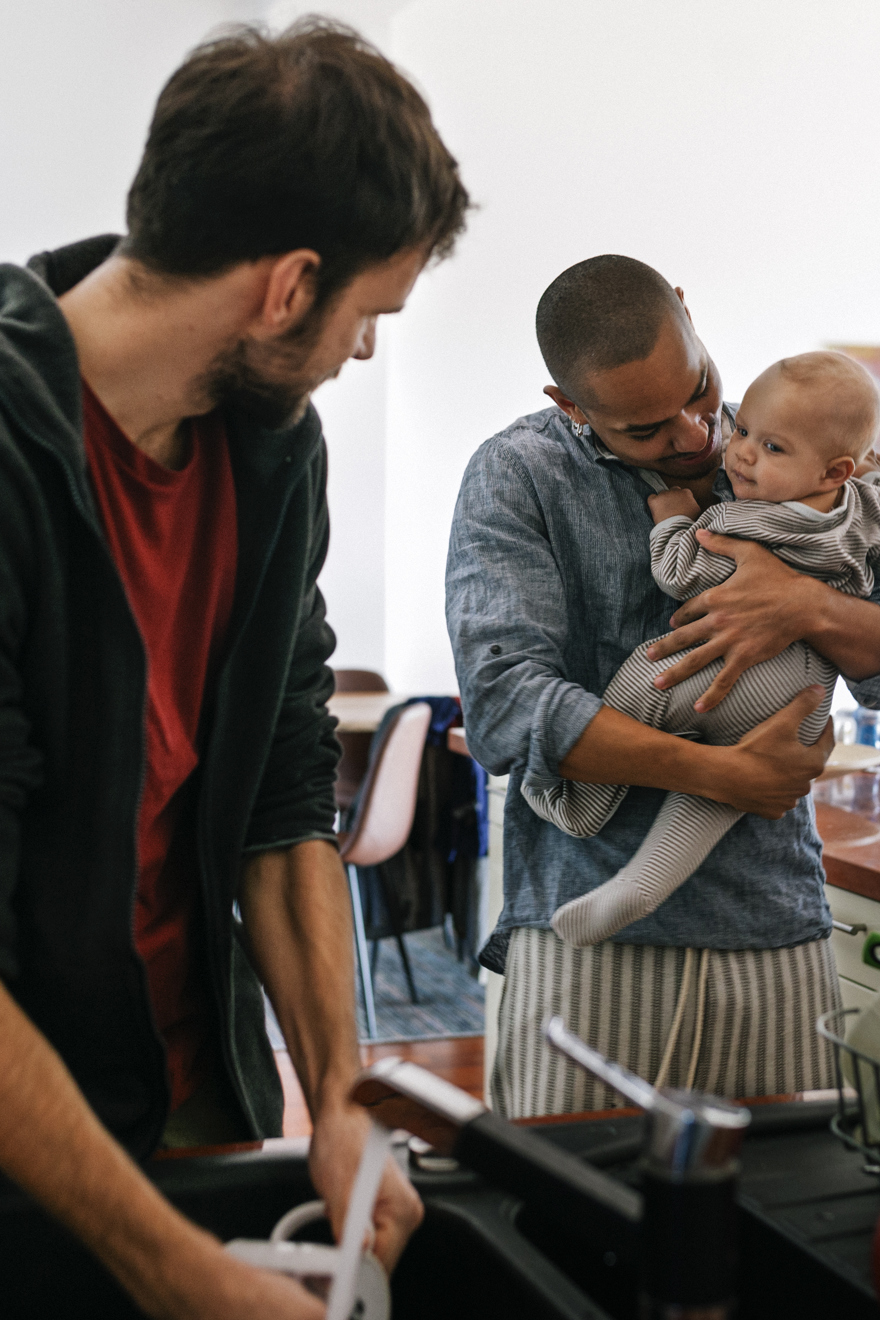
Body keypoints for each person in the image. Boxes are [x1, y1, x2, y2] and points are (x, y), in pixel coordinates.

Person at [0, 20, 468, 1318]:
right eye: (367, 314)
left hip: (197, 1088)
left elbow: (276, 804)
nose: (359, 352)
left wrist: (335, 1100)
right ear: (286, 286)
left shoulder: (270, 454)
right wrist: (166, 1269)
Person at [445, 255, 880, 1119]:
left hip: (770, 923)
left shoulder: (788, 440)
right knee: (570, 1228)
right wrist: (719, 776)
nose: (693, 435)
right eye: (647, 429)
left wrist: (804, 605)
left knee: (774, 1229)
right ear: (567, 404)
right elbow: (504, 704)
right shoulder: (517, 476)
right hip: (585, 936)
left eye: (700, 389)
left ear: (687, 310)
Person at [528, 350, 880, 946]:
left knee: (651, 675)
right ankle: (640, 887)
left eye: (772, 448)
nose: (737, 450)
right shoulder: (865, 510)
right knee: (717, 798)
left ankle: (574, 803)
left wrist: (673, 520)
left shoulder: (749, 519)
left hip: (734, 681)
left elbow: (680, 573)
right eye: (743, 431)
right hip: (802, 710)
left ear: (832, 472)